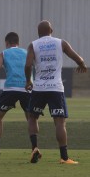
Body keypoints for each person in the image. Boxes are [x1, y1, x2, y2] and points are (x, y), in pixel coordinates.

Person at [25, 20, 87, 164]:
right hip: (55, 88)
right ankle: (64, 157)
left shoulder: (33, 45)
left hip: (39, 87)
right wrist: (82, 64)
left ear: (38, 32)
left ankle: (35, 148)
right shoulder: (61, 43)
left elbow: (28, 65)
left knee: (32, 117)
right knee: (60, 122)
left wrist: (28, 81)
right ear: (51, 29)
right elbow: (77, 57)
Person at [0, 32, 31, 159]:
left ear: (7, 43)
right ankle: (35, 148)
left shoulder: (4, 53)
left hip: (10, 88)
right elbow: (34, 68)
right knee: (31, 119)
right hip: (27, 89)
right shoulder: (27, 53)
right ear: (18, 42)